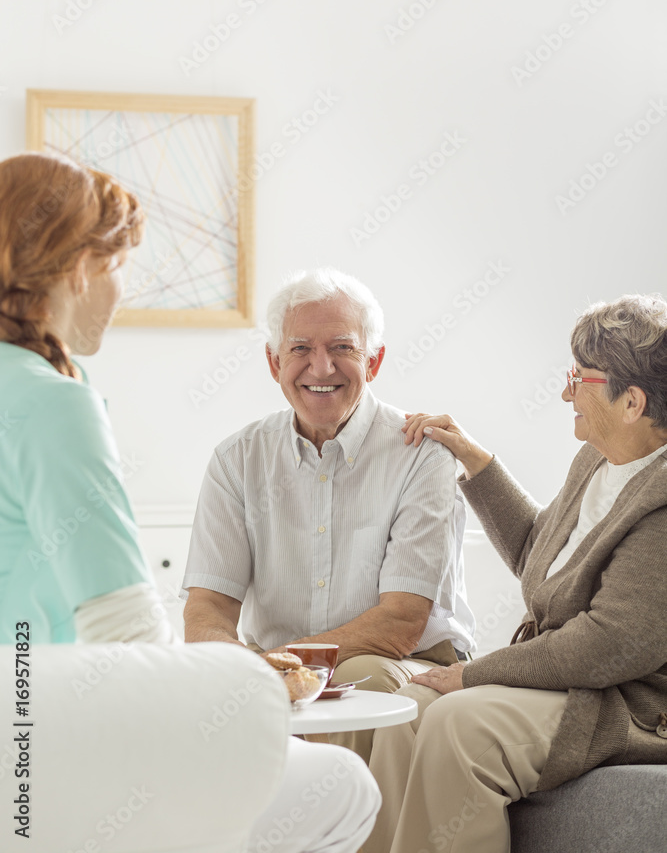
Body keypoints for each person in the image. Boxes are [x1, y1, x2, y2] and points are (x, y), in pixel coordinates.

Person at [0, 153, 380, 853]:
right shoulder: (55, 404)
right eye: (119, 265)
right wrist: (240, 685)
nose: (121, 290)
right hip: (36, 737)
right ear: (78, 267)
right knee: (342, 787)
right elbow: (125, 633)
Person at [364, 293, 667, 853]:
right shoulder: (600, 460)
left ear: (632, 402)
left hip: (627, 704)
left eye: (579, 378)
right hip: (571, 684)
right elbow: (539, 555)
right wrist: (475, 459)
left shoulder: (661, 500)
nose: (565, 392)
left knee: (459, 724)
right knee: (405, 713)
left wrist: (475, 674)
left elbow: (607, 644)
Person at [182, 267, 475, 762]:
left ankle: (340, 814)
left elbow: (401, 623)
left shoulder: (422, 454)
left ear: (373, 361)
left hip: (408, 661)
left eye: (342, 347)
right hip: (277, 669)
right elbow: (207, 609)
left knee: (364, 679)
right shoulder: (237, 460)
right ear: (274, 362)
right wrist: (242, 666)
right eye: (300, 348)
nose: (321, 368)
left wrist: (281, 667)